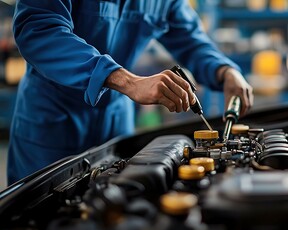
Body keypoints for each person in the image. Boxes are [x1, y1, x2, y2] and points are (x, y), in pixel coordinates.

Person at [8, 0, 254, 185]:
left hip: (117, 118)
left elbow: (191, 40)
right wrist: (126, 80)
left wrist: (226, 71)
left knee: (122, 203)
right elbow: (39, 29)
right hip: (52, 120)